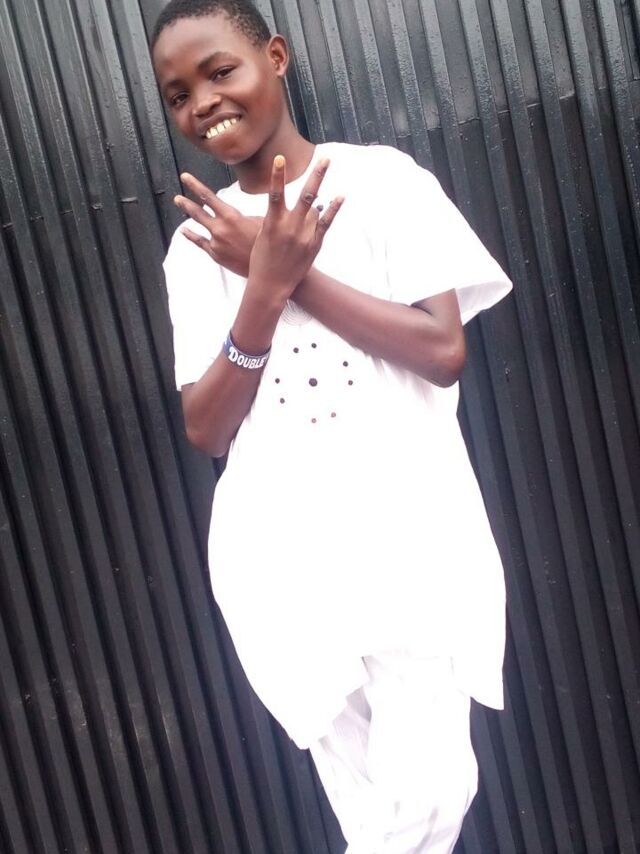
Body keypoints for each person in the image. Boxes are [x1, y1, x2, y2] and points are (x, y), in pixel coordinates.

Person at [151, 1, 512, 851]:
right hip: (283, 562)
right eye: (178, 94)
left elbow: (442, 350)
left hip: (410, 536)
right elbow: (206, 428)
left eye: (219, 71)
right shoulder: (194, 248)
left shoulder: (382, 183)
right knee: (367, 809)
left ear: (275, 57)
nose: (202, 102)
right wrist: (260, 291)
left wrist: (283, 270)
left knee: (431, 791)